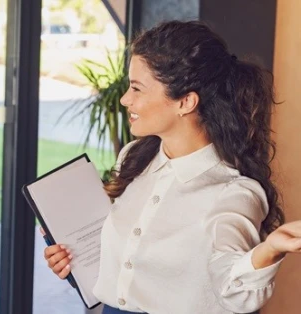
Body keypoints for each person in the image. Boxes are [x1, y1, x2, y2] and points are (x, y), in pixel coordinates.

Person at [43, 21, 301, 314]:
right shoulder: (133, 157)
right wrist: (75, 260)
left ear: (186, 102)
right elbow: (130, 258)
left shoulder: (233, 193)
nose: (126, 99)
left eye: (137, 88)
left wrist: (269, 250)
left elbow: (234, 291)